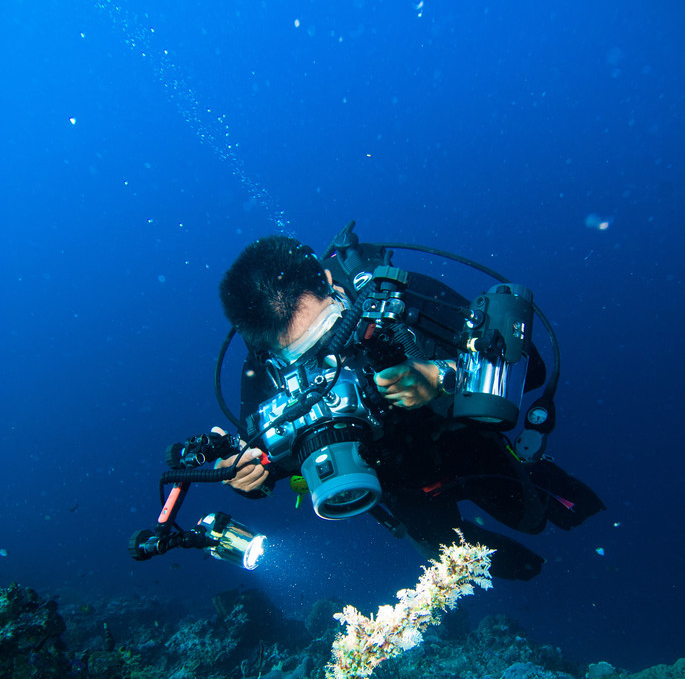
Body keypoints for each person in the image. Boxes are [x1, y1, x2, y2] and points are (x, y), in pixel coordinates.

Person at [214, 228, 605, 580]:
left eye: (333, 330)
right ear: (263, 345)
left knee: (532, 519)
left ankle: (541, 482)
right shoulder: (264, 372)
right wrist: (248, 479)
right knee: (462, 559)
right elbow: (276, 458)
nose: (328, 359)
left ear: (332, 284)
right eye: (299, 358)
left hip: (462, 443)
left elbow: (530, 368)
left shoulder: (400, 300)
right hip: (394, 485)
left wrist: (442, 377)